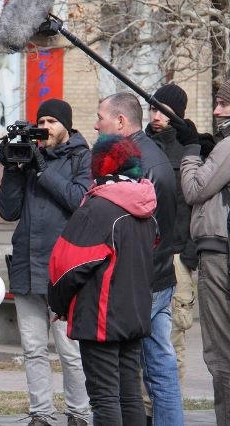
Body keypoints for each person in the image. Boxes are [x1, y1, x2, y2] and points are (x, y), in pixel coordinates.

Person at [48, 134, 158, 426]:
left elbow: (66, 266)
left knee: (105, 397)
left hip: (101, 316)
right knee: (130, 394)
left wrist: (58, 304)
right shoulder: (146, 208)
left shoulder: (97, 209)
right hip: (135, 313)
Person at [0, 99, 91, 426]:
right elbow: (8, 211)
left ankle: (79, 413)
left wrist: (43, 169)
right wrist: (12, 168)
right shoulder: (29, 157)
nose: (46, 127)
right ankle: (42, 413)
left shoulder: (82, 157)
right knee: (33, 348)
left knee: (69, 350)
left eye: (52, 121)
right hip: (26, 265)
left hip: (64, 270)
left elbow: (80, 200)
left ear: (66, 125)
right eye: (41, 122)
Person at [94, 92, 182, 426]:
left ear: (120, 121)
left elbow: (133, 230)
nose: (96, 124)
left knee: (126, 372)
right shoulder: (153, 154)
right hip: (159, 277)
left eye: (100, 117)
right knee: (161, 366)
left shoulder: (134, 163)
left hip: (141, 283)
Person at [179, 78, 230, 425]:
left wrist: (191, 153)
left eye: (224, 104)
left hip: (219, 257)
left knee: (220, 353)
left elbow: (194, 190)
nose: (216, 110)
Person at [144, 84, 197, 393]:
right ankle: (144, 409)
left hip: (177, 257)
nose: (156, 116)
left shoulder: (191, 149)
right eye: (153, 109)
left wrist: (189, 254)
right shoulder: (141, 146)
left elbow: (198, 205)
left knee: (173, 336)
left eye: (164, 111)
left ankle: (168, 406)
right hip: (144, 254)